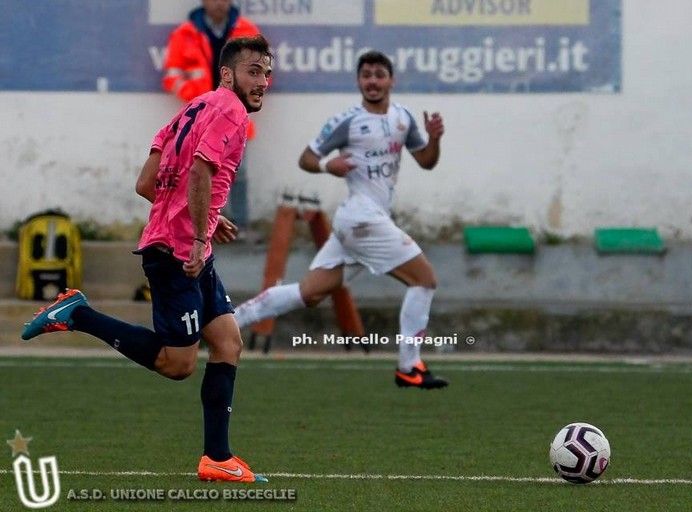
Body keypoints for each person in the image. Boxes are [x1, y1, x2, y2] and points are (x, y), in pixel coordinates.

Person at [21, 36, 273, 483]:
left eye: (267, 73)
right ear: (228, 74)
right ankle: (79, 314)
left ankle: (217, 458)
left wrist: (210, 218)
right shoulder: (231, 111)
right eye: (254, 71)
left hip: (188, 244)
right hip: (179, 253)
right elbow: (199, 171)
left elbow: (147, 183)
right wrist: (197, 234)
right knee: (177, 365)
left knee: (229, 343)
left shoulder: (188, 111)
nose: (263, 81)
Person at [235, 50, 449, 390]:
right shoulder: (347, 121)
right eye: (366, 75)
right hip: (361, 219)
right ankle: (409, 365)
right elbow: (307, 158)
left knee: (310, 293)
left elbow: (426, 161)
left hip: (363, 222)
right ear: (359, 81)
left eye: (379, 74)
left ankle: (231, 322)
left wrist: (434, 139)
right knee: (424, 280)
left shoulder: (403, 119)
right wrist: (326, 166)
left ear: (391, 80)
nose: (373, 81)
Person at [162, 0, 261, 230]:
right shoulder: (184, 33)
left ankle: (240, 227)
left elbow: (263, 72)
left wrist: (243, 99)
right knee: (197, 172)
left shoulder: (247, 31)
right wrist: (196, 98)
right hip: (200, 118)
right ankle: (201, 226)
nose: (218, 2)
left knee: (238, 172)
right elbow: (171, 76)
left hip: (235, 115)